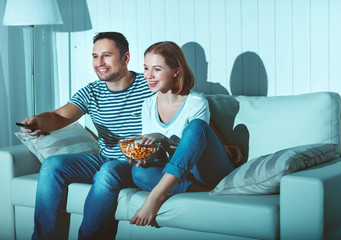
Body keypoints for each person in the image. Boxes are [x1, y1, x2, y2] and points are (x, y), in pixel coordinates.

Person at [20, 32, 153, 239]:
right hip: (104, 158)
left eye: (106, 55)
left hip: (135, 164)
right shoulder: (91, 92)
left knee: (108, 171)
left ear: (125, 58)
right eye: (95, 56)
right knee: (52, 165)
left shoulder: (149, 87)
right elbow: (58, 116)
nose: (99, 62)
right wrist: (38, 121)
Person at [128, 41, 236, 226]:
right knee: (138, 173)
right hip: (182, 175)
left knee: (197, 127)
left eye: (156, 69)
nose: (149, 75)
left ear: (176, 71)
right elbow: (160, 153)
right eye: (146, 68)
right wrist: (146, 156)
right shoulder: (147, 105)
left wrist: (162, 138)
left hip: (206, 168)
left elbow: (194, 145)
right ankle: (206, 191)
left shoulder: (196, 102)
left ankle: (156, 196)